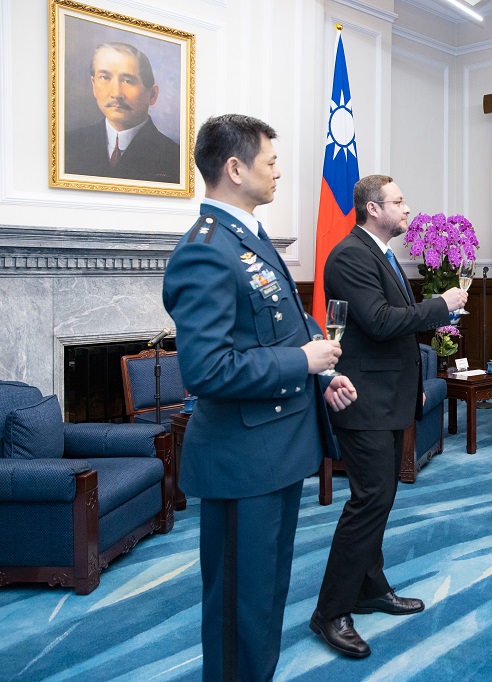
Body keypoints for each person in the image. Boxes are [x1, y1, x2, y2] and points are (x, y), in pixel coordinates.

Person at [163, 114, 357, 680]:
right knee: (239, 611)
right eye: (270, 162)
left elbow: (278, 329)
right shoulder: (205, 250)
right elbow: (206, 370)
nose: (278, 172)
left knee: (267, 596)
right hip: (242, 461)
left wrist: (320, 373)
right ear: (235, 168)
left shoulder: (246, 236)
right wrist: (302, 362)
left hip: (276, 451)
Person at [311, 174, 468, 658]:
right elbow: (379, 323)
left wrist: (413, 383)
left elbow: (392, 331)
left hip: (387, 396)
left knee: (380, 498)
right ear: (373, 209)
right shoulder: (349, 255)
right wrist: (439, 306)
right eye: (399, 201)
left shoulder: (382, 254)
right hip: (363, 401)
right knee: (370, 501)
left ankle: (370, 588)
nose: (407, 209)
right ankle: (330, 611)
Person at [64, 42, 180, 183]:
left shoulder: (175, 157)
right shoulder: (68, 144)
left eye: (128, 81)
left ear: (152, 95)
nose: (116, 93)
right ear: (94, 85)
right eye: (105, 77)